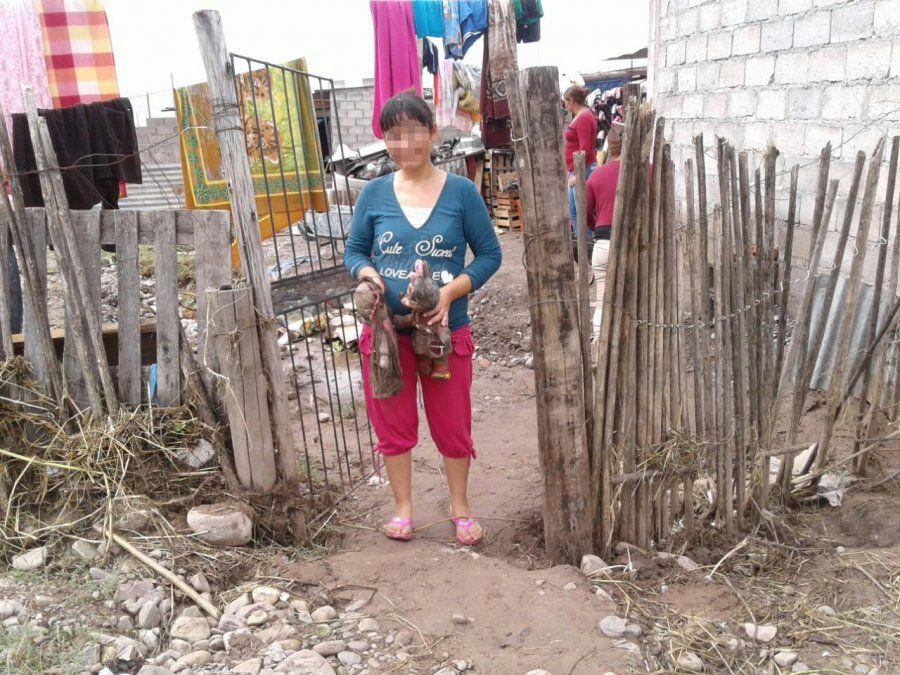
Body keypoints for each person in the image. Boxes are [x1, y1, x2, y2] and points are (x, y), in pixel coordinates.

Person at [344, 92, 502, 546]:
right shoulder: (373, 193)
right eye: (393, 135)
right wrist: (368, 274)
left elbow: (489, 255)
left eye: (413, 131)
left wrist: (449, 293)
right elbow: (354, 251)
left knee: (452, 422)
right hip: (387, 334)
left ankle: (460, 506)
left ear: (432, 133)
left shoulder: (462, 193)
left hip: (443, 334)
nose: (403, 143)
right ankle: (403, 509)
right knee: (392, 423)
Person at [585, 124, 622, 340]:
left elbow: (585, 212)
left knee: (602, 300)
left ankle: (599, 343)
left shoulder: (596, 176)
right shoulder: (647, 170)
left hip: (603, 243)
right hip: (635, 244)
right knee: (632, 300)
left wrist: (596, 226)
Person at [562, 84, 597, 234]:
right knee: (574, 212)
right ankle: (580, 243)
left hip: (582, 170)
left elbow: (585, 149)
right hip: (576, 170)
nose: (564, 104)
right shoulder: (581, 115)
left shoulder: (584, 118)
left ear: (571, 100)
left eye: (565, 101)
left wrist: (578, 175)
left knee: (581, 212)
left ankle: (587, 244)